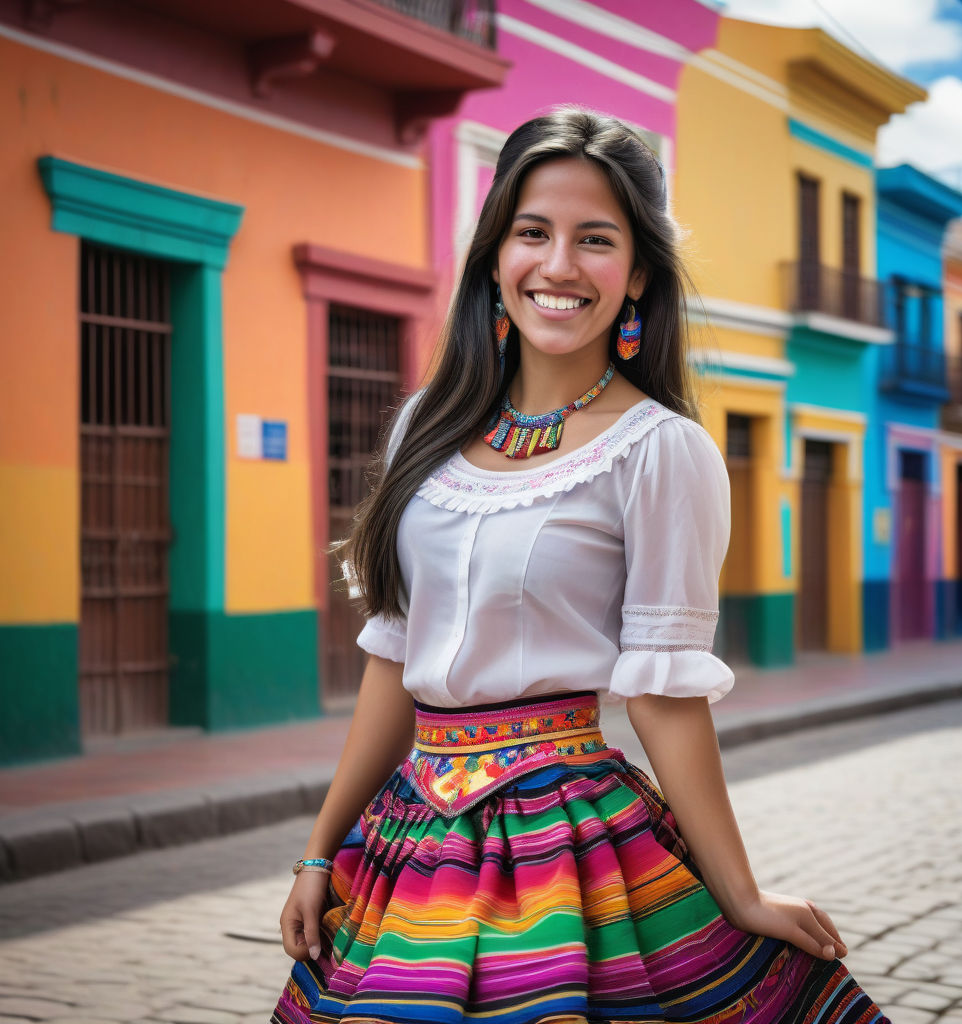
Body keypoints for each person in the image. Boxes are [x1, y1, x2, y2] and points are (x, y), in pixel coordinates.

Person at [271, 107, 889, 1024]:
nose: (558, 266)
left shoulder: (661, 451)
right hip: (405, 842)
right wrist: (321, 853)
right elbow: (393, 658)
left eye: (595, 240)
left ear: (637, 275)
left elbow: (663, 694)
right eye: (533, 233)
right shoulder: (422, 430)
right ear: (493, 257)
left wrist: (744, 897)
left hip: (562, 844)